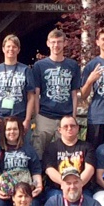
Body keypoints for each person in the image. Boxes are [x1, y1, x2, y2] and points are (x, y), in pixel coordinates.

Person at [31, 29, 81, 158]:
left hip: (65, 115)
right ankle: (39, 176)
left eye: (59, 42)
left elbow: (74, 93)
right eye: (53, 42)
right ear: (48, 43)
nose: (56, 45)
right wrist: (37, 115)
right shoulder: (39, 66)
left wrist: (73, 116)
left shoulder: (72, 65)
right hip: (45, 115)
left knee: (65, 152)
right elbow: (36, 93)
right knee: (38, 148)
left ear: (65, 43)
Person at [0, 117, 43, 206]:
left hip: (25, 193)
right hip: (6, 193)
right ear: (3, 132)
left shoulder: (28, 150)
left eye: (15, 129)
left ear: (20, 131)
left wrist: (38, 187)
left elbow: (35, 171)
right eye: (8, 129)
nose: (12, 132)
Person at [0, 35, 35, 145]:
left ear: (18, 49)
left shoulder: (26, 70)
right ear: (3, 49)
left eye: (14, 47)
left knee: (24, 149)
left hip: (20, 117)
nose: (11, 49)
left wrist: (27, 119)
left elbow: (31, 96)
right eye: (8, 46)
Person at [42, 115, 96, 200]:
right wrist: (65, 185)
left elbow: (90, 169)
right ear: (60, 130)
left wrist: (76, 185)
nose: (69, 128)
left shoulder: (87, 147)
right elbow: (49, 170)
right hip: (57, 189)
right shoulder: (51, 148)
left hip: (82, 188)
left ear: (78, 128)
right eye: (65, 126)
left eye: (72, 126)